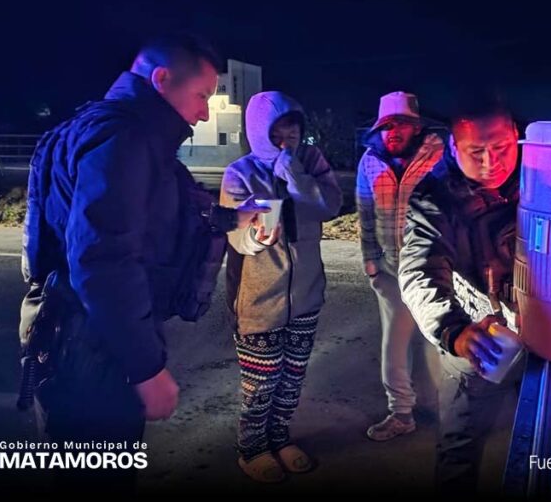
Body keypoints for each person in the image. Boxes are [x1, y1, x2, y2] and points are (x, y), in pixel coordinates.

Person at [18, 34, 265, 457]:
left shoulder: (113, 128)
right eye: (202, 95)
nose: (204, 113)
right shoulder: (124, 138)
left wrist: (232, 217)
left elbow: (160, 212)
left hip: (77, 338)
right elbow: (103, 260)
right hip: (93, 352)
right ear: (162, 79)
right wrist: (145, 368)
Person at [398, 96, 523, 493]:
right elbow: (419, 272)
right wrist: (453, 332)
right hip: (477, 339)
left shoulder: (545, 180)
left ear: (517, 137)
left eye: (501, 148)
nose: (491, 162)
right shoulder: (434, 199)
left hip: (548, 336)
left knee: (549, 438)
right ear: (453, 147)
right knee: (459, 448)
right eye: (476, 152)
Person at [221, 91, 342, 483]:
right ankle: (251, 447)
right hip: (258, 300)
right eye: (277, 129)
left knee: (292, 377)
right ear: (259, 130)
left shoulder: (310, 162)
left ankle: (280, 437)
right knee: (261, 382)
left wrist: (296, 175)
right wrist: (257, 234)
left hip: (305, 295)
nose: (287, 135)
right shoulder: (239, 172)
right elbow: (236, 236)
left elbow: (329, 206)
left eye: (293, 127)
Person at [356, 91, 443, 441]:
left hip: (433, 269)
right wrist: (370, 261)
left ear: (416, 128)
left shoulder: (438, 158)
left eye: (402, 124)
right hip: (390, 270)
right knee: (394, 343)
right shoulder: (370, 161)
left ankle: (447, 410)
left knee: (438, 341)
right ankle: (401, 413)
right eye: (387, 125)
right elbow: (364, 215)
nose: (394, 132)